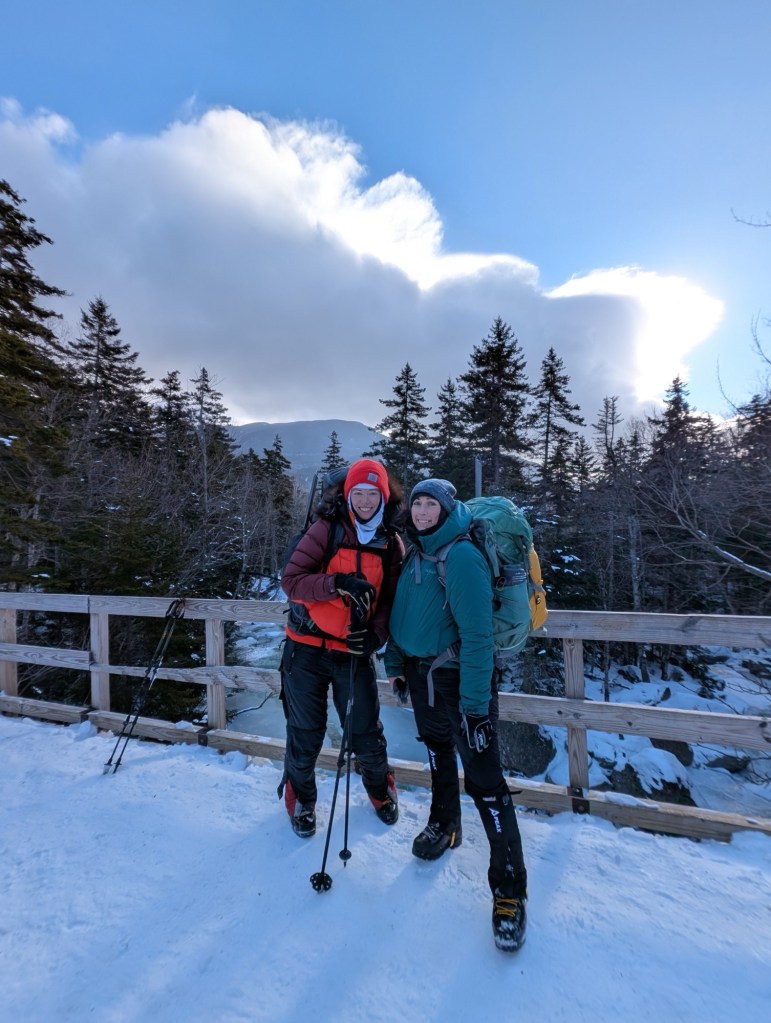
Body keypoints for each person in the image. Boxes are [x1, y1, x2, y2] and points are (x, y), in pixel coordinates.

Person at [384, 478, 529, 953]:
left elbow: (479, 636)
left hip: (458, 678)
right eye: (418, 503)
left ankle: (509, 889)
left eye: (432, 504)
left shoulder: (461, 556)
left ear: (447, 510)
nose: (422, 511)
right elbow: (402, 615)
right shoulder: (415, 550)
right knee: (436, 751)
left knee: (486, 782)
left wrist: (476, 710)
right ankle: (445, 823)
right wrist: (396, 665)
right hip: (421, 674)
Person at [279, 458, 405, 839]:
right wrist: (337, 583)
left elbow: (389, 602)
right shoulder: (327, 528)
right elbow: (292, 581)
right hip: (305, 648)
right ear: (347, 495)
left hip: (353, 650)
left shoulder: (391, 542)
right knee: (306, 731)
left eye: (372, 494)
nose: (365, 502)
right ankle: (301, 798)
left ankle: (380, 791)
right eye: (358, 494)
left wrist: (376, 637)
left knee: (364, 729)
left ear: (384, 497)